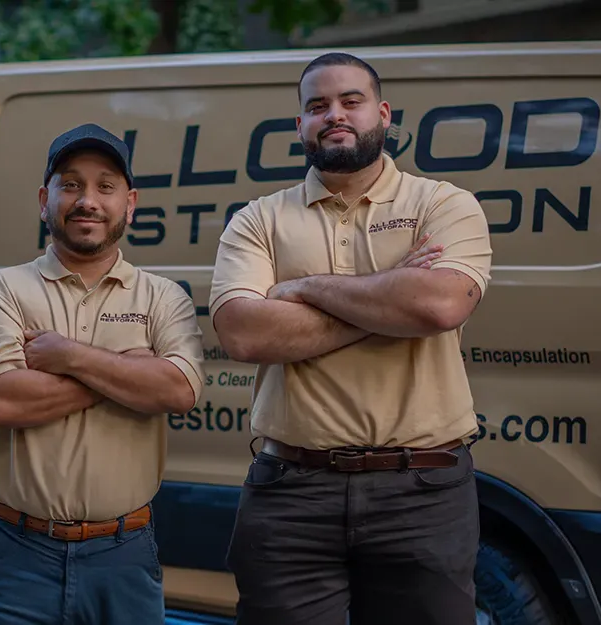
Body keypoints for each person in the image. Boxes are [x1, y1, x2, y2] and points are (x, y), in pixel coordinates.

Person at [209, 52, 494, 625]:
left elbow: (439, 304)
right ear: (300, 126)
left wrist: (303, 288)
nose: (333, 115)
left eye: (350, 101)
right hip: (291, 490)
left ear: (383, 114)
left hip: (422, 490)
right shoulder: (257, 219)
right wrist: (390, 297)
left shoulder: (442, 203)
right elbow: (243, 332)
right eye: (317, 106)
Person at [0, 123, 207, 625]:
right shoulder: (1, 291)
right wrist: (128, 373)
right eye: (70, 185)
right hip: (14, 553)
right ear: (45, 199)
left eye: (105, 186)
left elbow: (178, 390)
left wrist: (69, 357)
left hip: (124, 555)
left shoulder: (163, 297)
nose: (87, 200)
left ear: (130, 203)